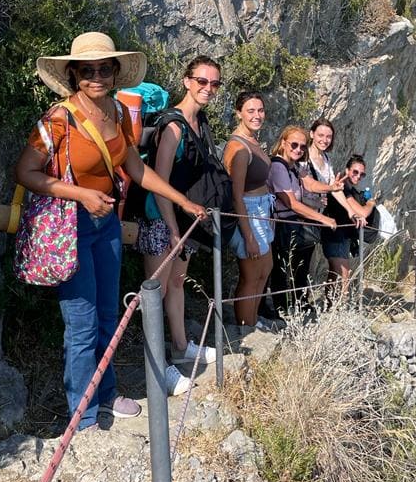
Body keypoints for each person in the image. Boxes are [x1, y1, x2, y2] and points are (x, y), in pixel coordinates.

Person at [15, 32, 206, 431]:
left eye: (104, 68)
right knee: (81, 322)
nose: (96, 76)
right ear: (73, 75)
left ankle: (106, 394)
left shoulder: (118, 113)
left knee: (107, 314)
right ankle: (82, 417)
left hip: (108, 225)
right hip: (73, 226)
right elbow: (25, 172)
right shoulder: (58, 119)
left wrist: (182, 201)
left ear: (116, 73)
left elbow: (135, 168)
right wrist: (80, 194)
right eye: (87, 70)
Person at [135, 56, 222, 390]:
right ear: (186, 81)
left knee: (176, 284)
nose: (208, 89)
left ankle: (182, 346)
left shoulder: (199, 123)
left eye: (214, 83)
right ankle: (161, 370)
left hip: (184, 220)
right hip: (160, 218)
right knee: (153, 293)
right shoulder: (173, 126)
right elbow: (158, 182)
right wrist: (172, 230)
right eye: (201, 81)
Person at [267, 125, 339, 318]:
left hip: (293, 223)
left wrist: (331, 188)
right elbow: (291, 203)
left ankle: (299, 303)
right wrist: (323, 218)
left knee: (300, 265)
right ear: (283, 143)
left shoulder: (294, 166)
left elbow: (309, 183)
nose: (298, 149)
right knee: (282, 268)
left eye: (302, 146)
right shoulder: (278, 166)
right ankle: (281, 309)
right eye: (294, 144)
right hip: (282, 222)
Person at [223, 92, 274, 331]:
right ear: (239, 113)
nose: (257, 115)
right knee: (251, 277)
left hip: (261, 212)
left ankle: (253, 321)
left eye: (260, 110)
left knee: (264, 272)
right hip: (250, 214)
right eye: (251, 111)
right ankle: (246, 329)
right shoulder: (239, 147)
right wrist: (249, 237)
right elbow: (236, 195)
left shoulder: (253, 141)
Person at [303, 120, 364, 302]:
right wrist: (329, 189)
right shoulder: (304, 157)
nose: (325, 140)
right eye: (321, 135)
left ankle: (305, 302)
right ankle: (290, 305)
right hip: (302, 214)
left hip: (317, 215)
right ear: (312, 134)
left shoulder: (326, 159)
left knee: (308, 262)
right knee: (299, 260)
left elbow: (334, 189)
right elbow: (311, 184)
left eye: (328, 136)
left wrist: (349, 211)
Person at [326, 153, 376, 296]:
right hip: (335, 235)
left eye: (362, 174)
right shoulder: (343, 186)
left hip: (340, 235)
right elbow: (362, 212)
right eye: (355, 172)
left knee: (335, 274)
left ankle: (330, 307)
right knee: (343, 275)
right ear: (347, 170)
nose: (358, 176)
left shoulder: (350, 188)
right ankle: (340, 309)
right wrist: (370, 203)